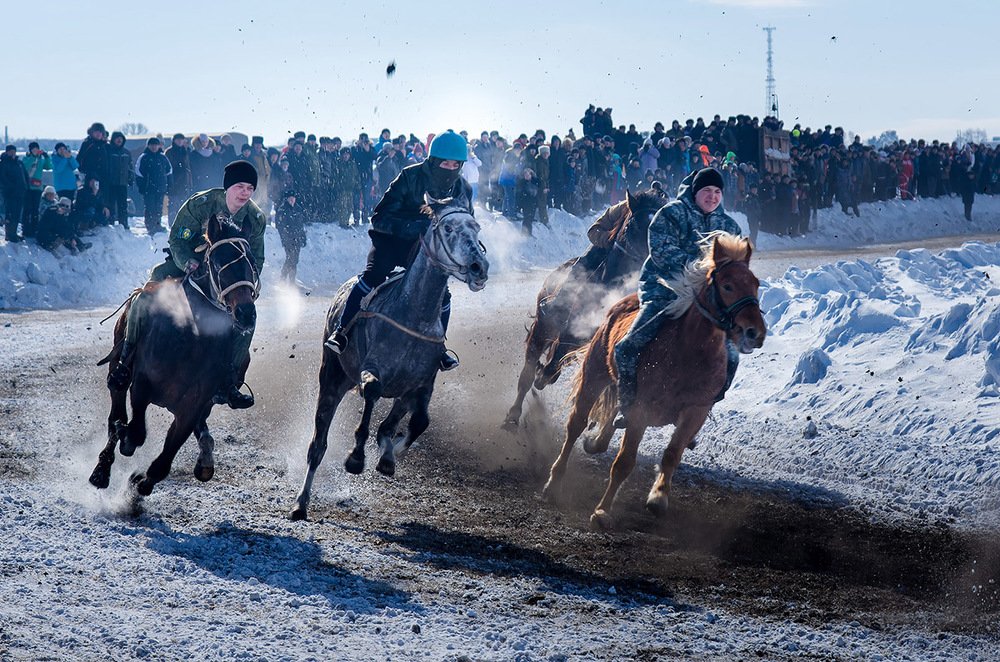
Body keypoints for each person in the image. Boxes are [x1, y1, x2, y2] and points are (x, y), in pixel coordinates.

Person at [106, 161, 266, 409]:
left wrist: (245, 284)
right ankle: (125, 360)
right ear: (228, 188)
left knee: (248, 319)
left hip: (225, 280)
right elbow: (177, 239)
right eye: (240, 186)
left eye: (250, 188)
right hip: (188, 264)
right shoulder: (200, 205)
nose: (245, 192)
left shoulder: (254, 218)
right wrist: (188, 262)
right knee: (143, 298)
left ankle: (230, 381)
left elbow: (257, 256)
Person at [324, 130, 471, 371]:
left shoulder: (461, 188)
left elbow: (463, 221)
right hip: (391, 240)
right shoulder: (409, 176)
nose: (450, 168)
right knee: (374, 275)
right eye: (445, 162)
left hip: (424, 249)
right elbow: (379, 216)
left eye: (456, 164)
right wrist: (414, 226)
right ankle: (342, 331)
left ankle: (439, 346)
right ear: (433, 161)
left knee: (442, 293)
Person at [613, 167, 742, 428]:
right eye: (707, 191)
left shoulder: (729, 225)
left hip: (709, 298)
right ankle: (626, 404)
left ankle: (702, 404)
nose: (712, 197)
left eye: (717, 192)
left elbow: (737, 264)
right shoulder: (670, 214)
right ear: (695, 192)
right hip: (665, 287)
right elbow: (661, 251)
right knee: (627, 347)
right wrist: (701, 268)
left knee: (732, 354)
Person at [134, 137, 173, 234]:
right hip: (148, 188)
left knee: (158, 207)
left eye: (156, 145)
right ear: (148, 146)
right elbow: (138, 173)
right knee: (150, 207)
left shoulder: (163, 157)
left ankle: (157, 224)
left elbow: (169, 172)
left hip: (161, 188)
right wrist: (142, 187)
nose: (154, 147)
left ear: (159, 146)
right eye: (152, 145)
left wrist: (169, 185)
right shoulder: (144, 157)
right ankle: (150, 226)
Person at [275, 188, 306, 283]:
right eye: (290, 198)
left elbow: (301, 225)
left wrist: (303, 237)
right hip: (288, 239)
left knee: (295, 260)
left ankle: (292, 280)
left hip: (297, 239)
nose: (292, 199)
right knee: (290, 259)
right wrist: (286, 239)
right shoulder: (283, 210)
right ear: (287, 199)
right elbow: (281, 227)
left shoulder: (298, 209)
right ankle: (283, 278)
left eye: (293, 198)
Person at [22, 142, 52, 238]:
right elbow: (25, 166)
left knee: (35, 209)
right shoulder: (26, 158)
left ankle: (34, 228)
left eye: (36, 149)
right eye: (33, 149)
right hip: (28, 187)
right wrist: (33, 157)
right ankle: (26, 229)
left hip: (37, 187)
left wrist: (46, 157)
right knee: (27, 209)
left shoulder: (40, 160)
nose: (35, 150)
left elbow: (49, 166)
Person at [1, 145, 28, 241]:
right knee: (10, 214)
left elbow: (25, 175)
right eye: (10, 151)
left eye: (14, 151)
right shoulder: (4, 163)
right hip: (10, 193)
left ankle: (14, 233)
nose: (12, 153)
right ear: (7, 152)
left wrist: (26, 186)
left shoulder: (19, 163)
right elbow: (3, 178)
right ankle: (9, 234)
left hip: (20, 192)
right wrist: (11, 187)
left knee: (17, 213)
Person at [106, 132, 134, 227]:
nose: (119, 140)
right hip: (111, 183)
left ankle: (124, 223)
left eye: (121, 139)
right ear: (113, 140)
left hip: (123, 183)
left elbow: (130, 167)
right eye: (117, 138)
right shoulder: (108, 151)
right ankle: (110, 223)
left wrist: (130, 179)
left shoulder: (126, 152)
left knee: (123, 205)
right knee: (111, 205)